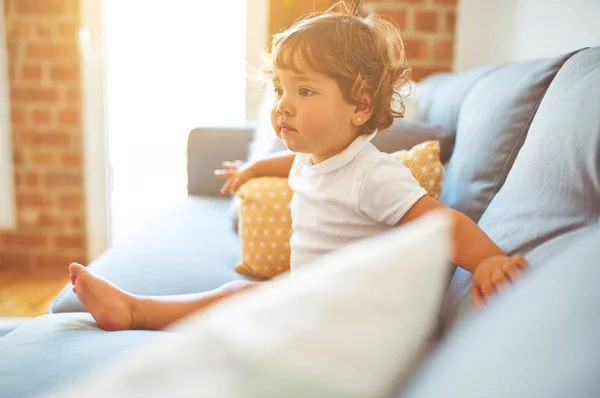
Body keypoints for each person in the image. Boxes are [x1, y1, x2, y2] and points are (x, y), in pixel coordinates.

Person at [69, 4, 528, 332]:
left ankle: (134, 312)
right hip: (319, 295)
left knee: (235, 298)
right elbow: (293, 161)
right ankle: (135, 311)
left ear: (360, 107)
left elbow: (441, 223)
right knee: (238, 296)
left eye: (305, 91)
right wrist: (254, 170)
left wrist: (488, 259)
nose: (284, 105)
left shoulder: (372, 173)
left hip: (354, 315)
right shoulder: (319, 156)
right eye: (280, 90)